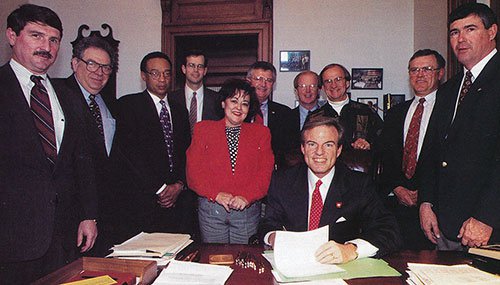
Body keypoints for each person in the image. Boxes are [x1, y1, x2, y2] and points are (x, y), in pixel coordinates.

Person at [0, 4, 97, 283]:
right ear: (11, 36)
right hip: (10, 243)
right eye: (36, 36)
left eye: (53, 39)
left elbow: (82, 160)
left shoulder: (67, 95)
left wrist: (89, 215)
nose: (47, 46)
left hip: (63, 240)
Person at [259, 113, 401, 263]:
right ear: (302, 148)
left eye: (328, 145)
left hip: (340, 270)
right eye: (312, 144)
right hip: (293, 265)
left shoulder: (358, 185)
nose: (319, 152)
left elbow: (389, 231)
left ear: (339, 150)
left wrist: (351, 249)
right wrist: (274, 237)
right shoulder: (282, 181)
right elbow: (268, 223)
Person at [419, 3, 500, 250]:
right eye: (454, 32)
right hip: (445, 227)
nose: (461, 39)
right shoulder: (449, 89)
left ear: (492, 31)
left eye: (470, 29)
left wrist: (488, 216)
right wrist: (426, 203)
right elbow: (432, 150)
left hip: (487, 229)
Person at [114, 52, 193, 239]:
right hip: (143, 202)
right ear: (144, 76)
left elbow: (186, 152)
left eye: (166, 73)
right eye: (155, 73)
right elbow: (129, 154)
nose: (162, 79)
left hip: (177, 203)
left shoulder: (180, 110)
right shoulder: (128, 105)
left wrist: (179, 185)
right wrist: (160, 189)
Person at [186, 78, 274, 244]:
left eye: (245, 103)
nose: (239, 108)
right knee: (214, 261)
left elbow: (265, 174)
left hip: (246, 211)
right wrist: (216, 195)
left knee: (244, 261)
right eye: (234, 101)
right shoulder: (203, 129)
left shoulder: (261, 133)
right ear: (222, 103)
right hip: (212, 210)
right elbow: (193, 173)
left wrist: (247, 197)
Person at [55, 35, 120, 255]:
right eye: (91, 63)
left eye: (106, 67)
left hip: (106, 215)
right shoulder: (57, 96)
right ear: (74, 64)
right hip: (72, 218)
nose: (98, 73)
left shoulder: (108, 102)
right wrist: (87, 214)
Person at [380, 49, 445, 250]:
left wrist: (426, 196)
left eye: (427, 69)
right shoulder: (395, 113)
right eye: (414, 70)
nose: (420, 75)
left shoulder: (451, 110)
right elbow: (386, 156)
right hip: (399, 208)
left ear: (440, 73)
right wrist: (397, 188)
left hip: (437, 208)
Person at [246, 61, 295, 169]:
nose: (263, 84)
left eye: (269, 80)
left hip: (276, 175)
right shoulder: (239, 113)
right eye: (258, 79)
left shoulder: (285, 114)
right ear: (249, 81)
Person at [171, 49, 221, 132]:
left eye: (200, 66)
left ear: (205, 71)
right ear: (184, 69)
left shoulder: (217, 99)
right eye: (191, 65)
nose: (196, 70)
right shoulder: (171, 98)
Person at [287, 71, 321, 167]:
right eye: (302, 86)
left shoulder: (329, 116)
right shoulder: (284, 117)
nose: (308, 90)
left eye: (312, 86)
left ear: (319, 90)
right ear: (296, 91)